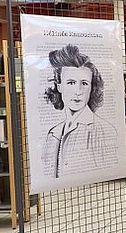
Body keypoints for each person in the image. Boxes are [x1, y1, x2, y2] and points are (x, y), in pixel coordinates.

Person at [42, 44, 116, 179]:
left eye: (84, 83)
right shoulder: (53, 133)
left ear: (91, 88)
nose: (78, 91)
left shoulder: (103, 130)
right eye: (70, 83)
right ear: (59, 87)